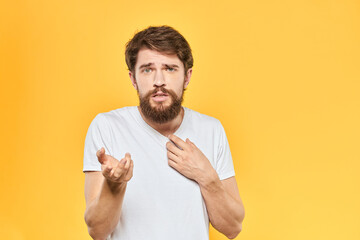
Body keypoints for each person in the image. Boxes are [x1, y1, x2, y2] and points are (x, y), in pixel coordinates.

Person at [83, 25, 245, 240]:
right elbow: (97, 231)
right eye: (147, 69)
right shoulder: (107, 127)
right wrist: (114, 185)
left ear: (187, 77)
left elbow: (233, 227)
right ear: (133, 78)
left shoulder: (211, 129)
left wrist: (206, 176)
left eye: (170, 68)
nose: (159, 81)